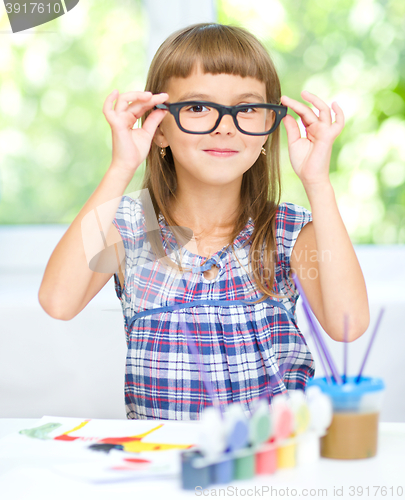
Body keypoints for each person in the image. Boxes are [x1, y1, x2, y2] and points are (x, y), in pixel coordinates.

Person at [39, 23, 369, 420]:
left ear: (267, 129)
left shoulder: (285, 232)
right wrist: (121, 166)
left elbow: (348, 325)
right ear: (159, 127)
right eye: (197, 107)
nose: (225, 125)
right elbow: (58, 301)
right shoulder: (134, 224)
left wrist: (317, 183)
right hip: (163, 468)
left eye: (247, 108)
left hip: (270, 462)